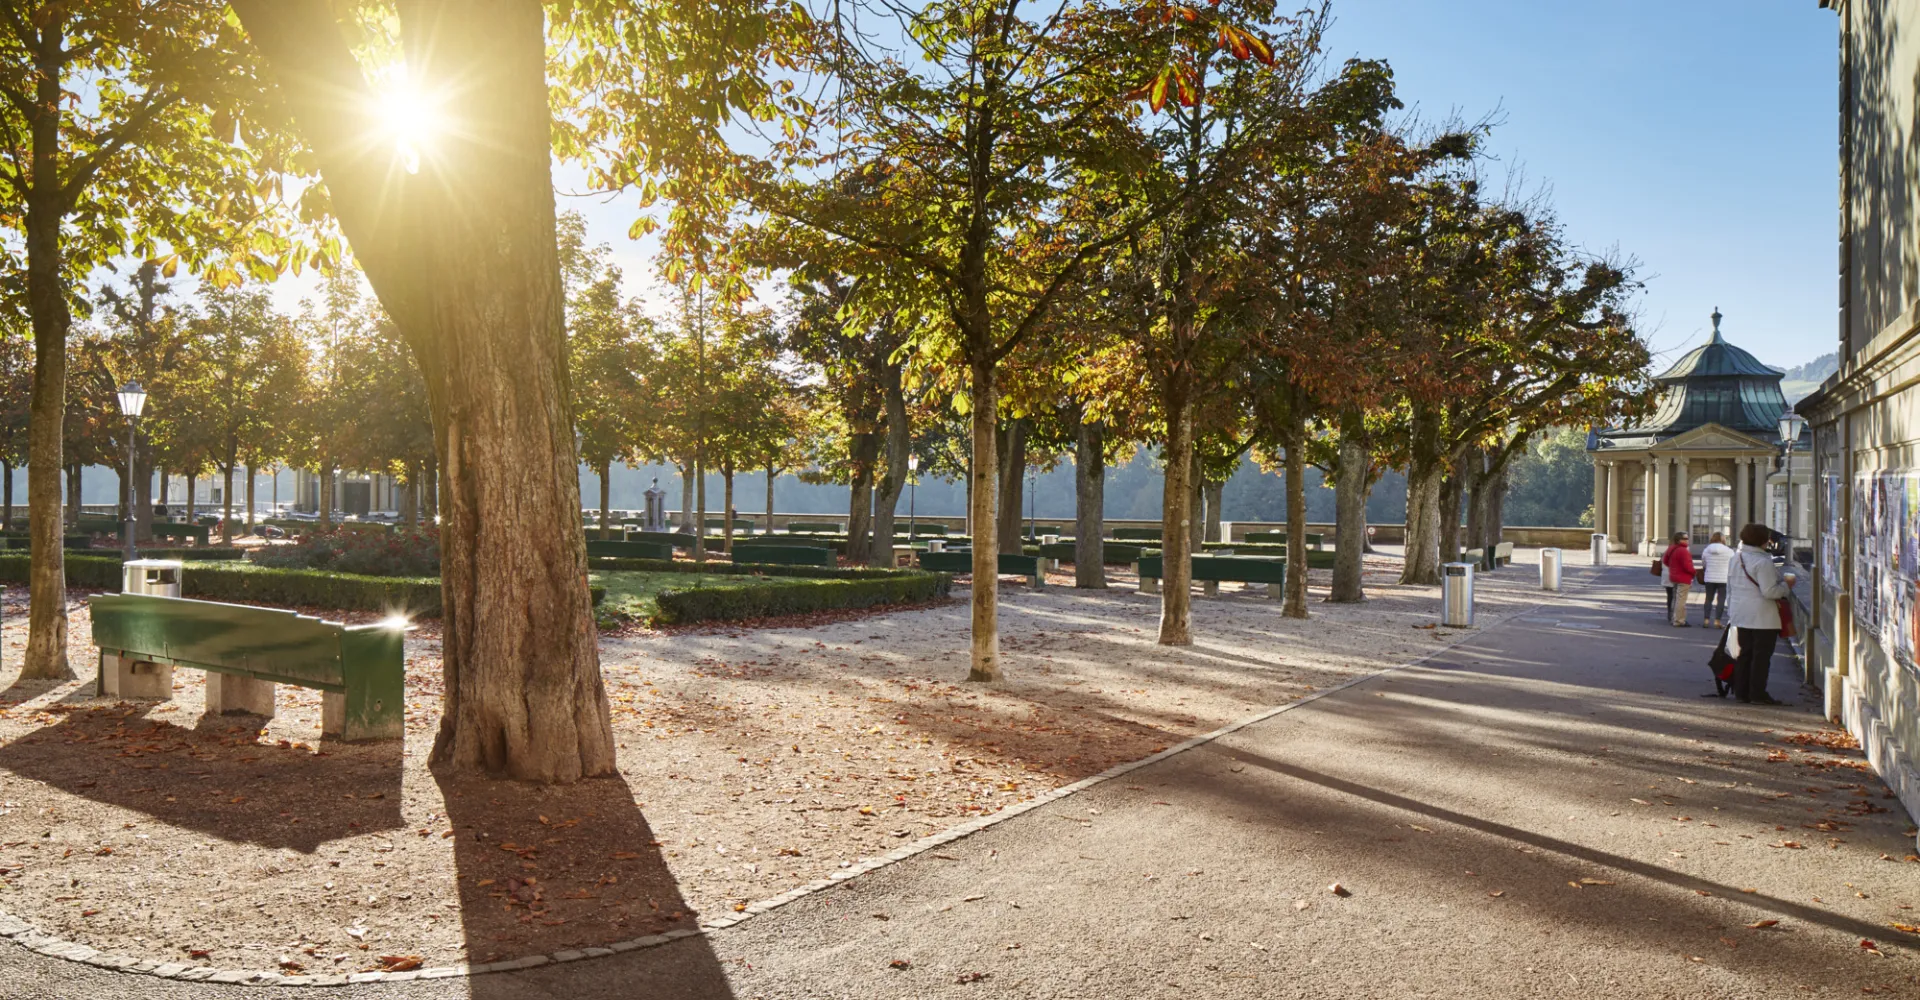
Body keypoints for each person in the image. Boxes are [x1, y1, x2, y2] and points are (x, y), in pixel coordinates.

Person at [1726, 522, 1796, 705]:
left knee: (1744, 654)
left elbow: (1730, 587)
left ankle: (1741, 691)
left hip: (1740, 612)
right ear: (1764, 541)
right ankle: (1757, 692)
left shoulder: (1736, 558)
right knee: (1761, 656)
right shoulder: (1763, 562)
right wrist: (1786, 586)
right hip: (1762, 615)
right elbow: (1769, 592)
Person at [1700, 531, 1735, 628]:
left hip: (1709, 578)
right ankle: (1717, 621)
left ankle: (1706, 620)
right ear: (1723, 539)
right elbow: (1732, 565)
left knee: (1708, 599)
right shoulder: (1729, 551)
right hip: (1724, 578)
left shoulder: (1706, 550)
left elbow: (1704, 563)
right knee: (1721, 600)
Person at [1662, 531, 1696, 626]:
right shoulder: (1683, 551)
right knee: (1681, 600)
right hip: (1683, 577)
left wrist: (1673, 567)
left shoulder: (1671, 549)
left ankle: (1674, 618)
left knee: (1676, 599)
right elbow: (1688, 566)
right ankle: (1679, 620)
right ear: (1679, 540)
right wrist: (1694, 572)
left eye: (1687, 538)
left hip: (1674, 576)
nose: (1687, 540)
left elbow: (1665, 561)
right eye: (1685, 539)